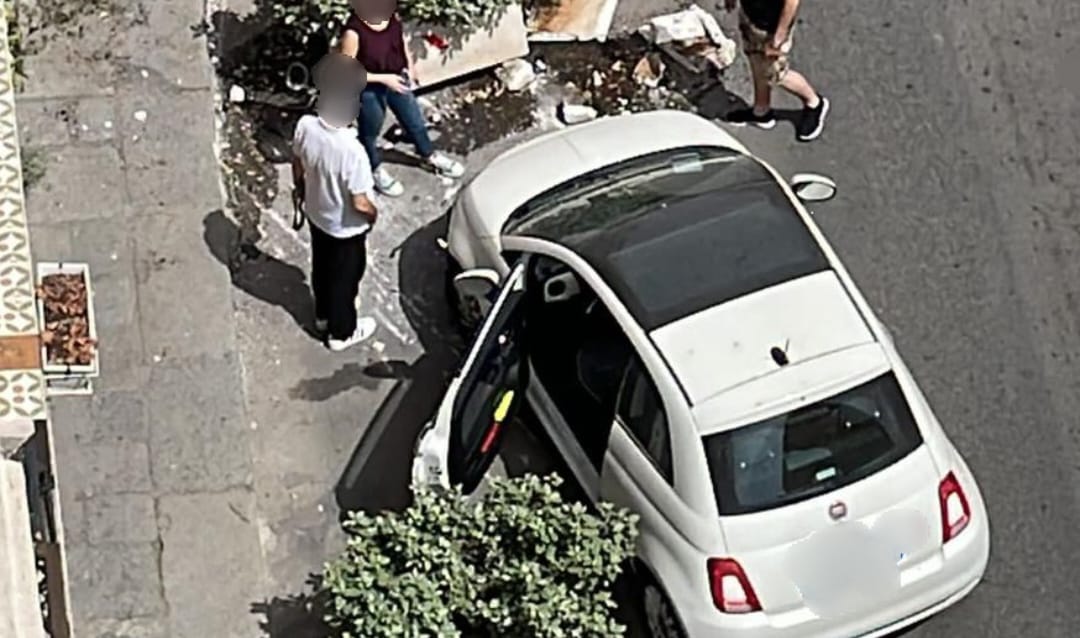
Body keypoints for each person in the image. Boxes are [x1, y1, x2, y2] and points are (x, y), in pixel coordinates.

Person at [292, 52, 379, 351]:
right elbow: (360, 203)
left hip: (317, 215)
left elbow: (298, 163)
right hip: (345, 228)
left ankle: (321, 315)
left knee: (321, 267)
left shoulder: (305, 125)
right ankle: (341, 333)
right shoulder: (352, 152)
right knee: (345, 280)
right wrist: (372, 216)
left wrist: (301, 191)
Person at [339, 0, 464, 197]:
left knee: (414, 121)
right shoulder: (353, 33)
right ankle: (374, 169)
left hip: (398, 79)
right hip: (369, 89)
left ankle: (428, 155)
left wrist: (410, 66)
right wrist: (384, 79)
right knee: (369, 134)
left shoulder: (391, 15)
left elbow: (401, 40)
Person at [724, 0, 830, 142]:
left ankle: (814, 102)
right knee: (756, 61)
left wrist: (779, 36)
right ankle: (761, 111)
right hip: (751, 18)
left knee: (776, 73)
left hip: (772, 30)